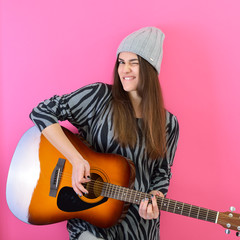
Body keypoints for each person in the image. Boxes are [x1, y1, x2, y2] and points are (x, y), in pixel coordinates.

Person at [30, 27, 179, 240]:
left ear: (149, 68)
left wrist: (156, 197)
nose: (124, 69)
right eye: (121, 62)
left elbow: (162, 172)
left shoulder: (169, 123)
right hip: (92, 221)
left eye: (133, 63)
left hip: (139, 225)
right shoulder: (98, 97)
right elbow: (42, 112)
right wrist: (77, 159)